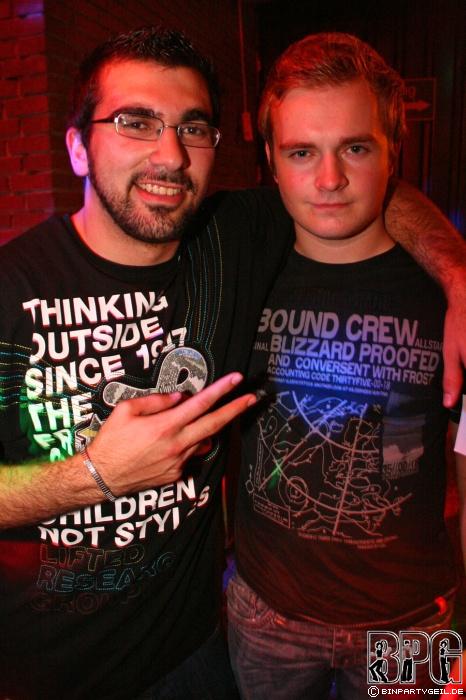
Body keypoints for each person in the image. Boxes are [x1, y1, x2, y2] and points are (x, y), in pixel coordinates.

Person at [0, 26, 464, 700]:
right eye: (135, 122)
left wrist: (456, 273)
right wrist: (93, 475)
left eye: (191, 128)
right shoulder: (11, 287)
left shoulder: (233, 241)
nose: (169, 155)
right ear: (76, 147)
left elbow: (358, 181)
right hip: (58, 671)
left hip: (220, 651)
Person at [228, 32, 466, 699]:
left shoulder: (447, 296)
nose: (329, 179)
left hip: (413, 621)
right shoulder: (240, 273)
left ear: (394, 151)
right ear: (271, 159)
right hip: (266, 615)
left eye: (355, 148)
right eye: (302, 152)